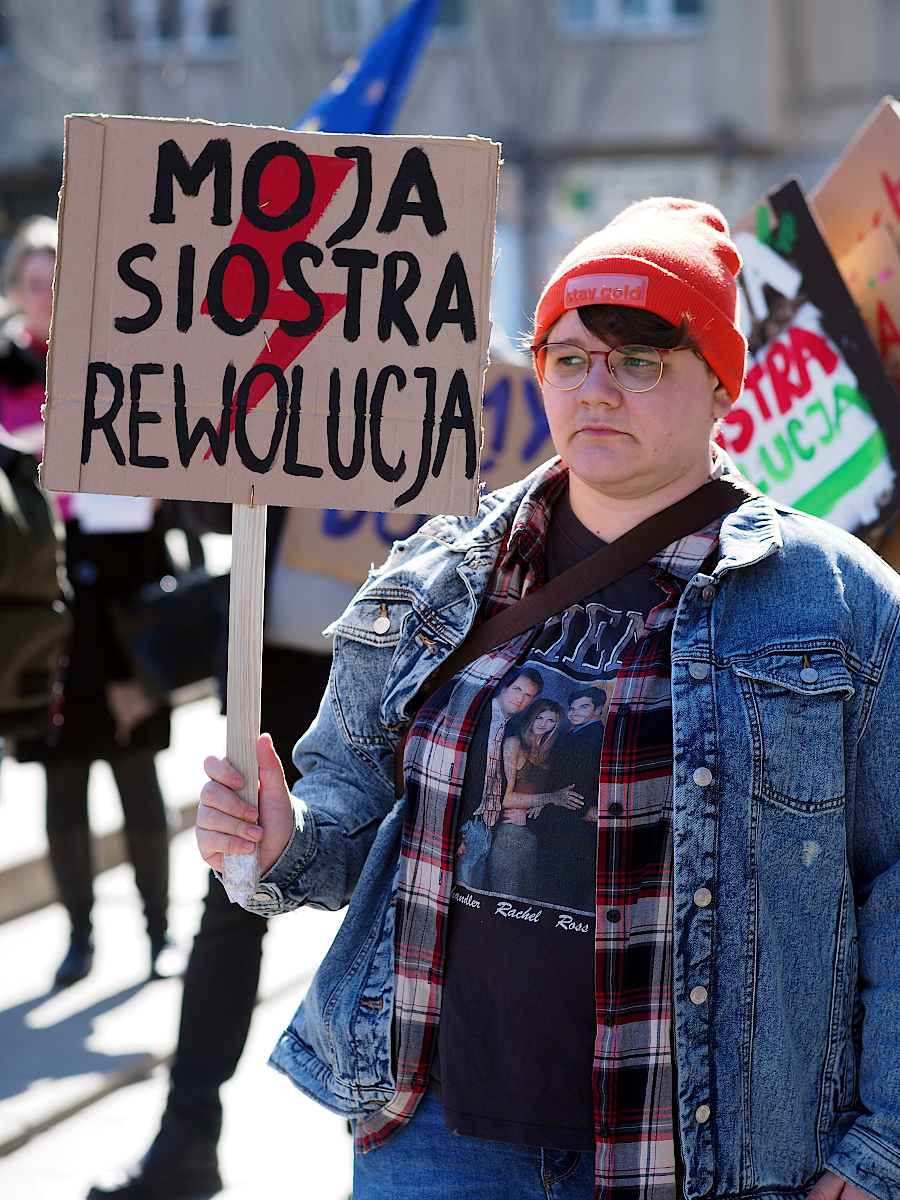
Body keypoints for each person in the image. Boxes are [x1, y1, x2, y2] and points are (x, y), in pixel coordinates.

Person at [196, 198, 900, 1200]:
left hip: (706, 1157)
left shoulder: (838, 604)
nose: (596, 388)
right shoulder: (437, 573)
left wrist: (879, 1147)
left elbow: (895, 882)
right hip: (434, 1137)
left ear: (722, 382)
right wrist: (281, 841)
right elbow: (345, 810)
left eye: (639, 358)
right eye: (569, 358)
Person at [2, 217, 174, 988]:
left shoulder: (121, 363)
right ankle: (79, 939)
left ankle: (159, 932)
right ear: (15, 291)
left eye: (59, 281)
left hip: (123, 608)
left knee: (137, 775)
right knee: (63, 780)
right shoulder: (2, 375)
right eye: (34, 282)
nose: (47, 295)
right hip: (41, 610)